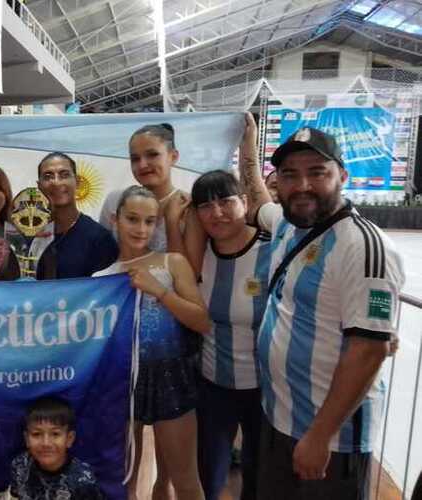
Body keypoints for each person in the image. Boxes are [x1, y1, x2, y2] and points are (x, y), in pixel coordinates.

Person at [238, 115, 405, 500]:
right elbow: (258, 198)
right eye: (289, 175)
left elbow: (369, 350)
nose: (302, 185)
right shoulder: (287, 225)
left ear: (342, 176)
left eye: (317, 172)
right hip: (279, 420)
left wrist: (320, 437)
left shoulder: (362, 247)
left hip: (329, 441)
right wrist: (248, 144)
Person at [94, 186, 210, 500]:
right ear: (115, 219)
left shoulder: (173, 263)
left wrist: (160, 291)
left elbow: (202, 322)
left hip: (171, 377)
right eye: (133, 219)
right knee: (125, 482)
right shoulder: (101, 279)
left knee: (185, 480)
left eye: (149, 221)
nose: (141, 229)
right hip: (122, 384)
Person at [168, 170, 272, 500]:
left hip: (266, 390)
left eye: (226, 202)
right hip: (213, 387)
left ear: (244, 202)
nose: (217, 213)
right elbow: (176, 273)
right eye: (206, 206)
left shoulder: (273, 252)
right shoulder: (200, 257)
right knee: (207, 477)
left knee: (260, 478)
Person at [100, 123, 188, 254]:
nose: (142, 165)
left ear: (173, 157)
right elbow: (102, 253)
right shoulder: (115, 200)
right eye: (135, 158)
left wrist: (172, 221)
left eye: (152, 155)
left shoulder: (188, 205)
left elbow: (188, 271)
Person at [32, 152, 117, 280]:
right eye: (48, 176)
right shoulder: (30, 235)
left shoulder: (99, 239)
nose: (56, 182)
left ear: (77, 182)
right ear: (39, 186)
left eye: (64, 175)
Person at [9, 397, 105, 499]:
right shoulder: (19, 465)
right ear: (27, 439)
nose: (46, 443)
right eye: (36, 434)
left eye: (55, 434)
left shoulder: (84, 481)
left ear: (69, 439)